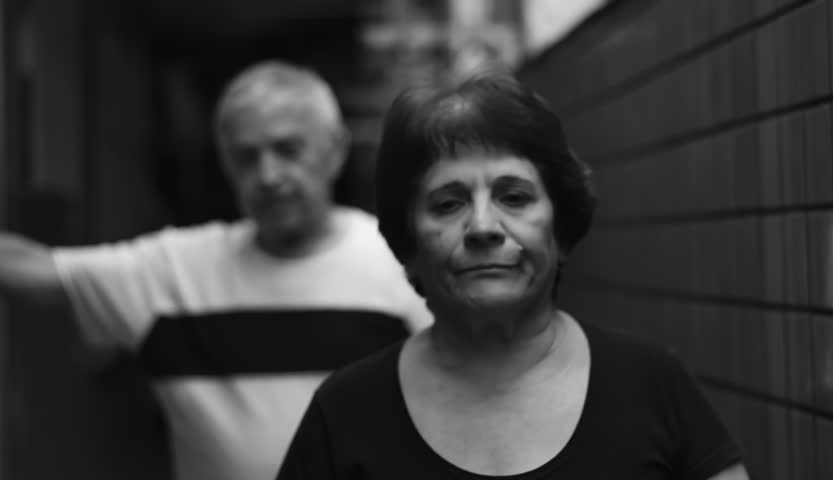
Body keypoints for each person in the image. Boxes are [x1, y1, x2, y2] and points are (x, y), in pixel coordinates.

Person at [276, 71, 749, 479]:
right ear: (410, 245)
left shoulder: (652, 387)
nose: (482, 227)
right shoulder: (344, 415)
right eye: (449, 203)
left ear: (560, 230)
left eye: (514, 197)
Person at [0, 61, 432, 480]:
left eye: (288, 149)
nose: (268, 175)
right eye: (246, 158)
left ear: (335, 149)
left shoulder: (405, 264)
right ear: (226, 165)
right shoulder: (175, 271)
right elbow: (32, 270)